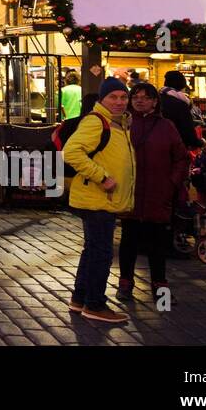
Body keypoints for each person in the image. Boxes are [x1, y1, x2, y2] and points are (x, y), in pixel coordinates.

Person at [63, 77, 135, 324]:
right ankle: (95, 304)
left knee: (93, 251)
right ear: (102, 99)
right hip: (97, 199)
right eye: (113, 97)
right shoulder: (97, 121)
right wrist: (102, 177)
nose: (119, 102)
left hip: (102, 199)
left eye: (123, 97)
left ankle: (80, 299)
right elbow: (72, 151)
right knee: (101, 253)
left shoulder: (119, 123)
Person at [116, 83, 188, 303]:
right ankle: (125, 284)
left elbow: (181, 157)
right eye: (135, 97)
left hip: (158, 194)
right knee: (129, 242)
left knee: (158, 245)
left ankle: (161, 290)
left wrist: (171, 183)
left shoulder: (166, 126)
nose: (139, 101)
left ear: (155, 101)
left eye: (145, 97)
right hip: (132, 194)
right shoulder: (123, 125)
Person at [159, 71, 202, 151]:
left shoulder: (156, 100)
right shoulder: (181, 104)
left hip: (157, 146)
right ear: (181, 87)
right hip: (176, 148)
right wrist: (199, 143)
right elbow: (187, 130)